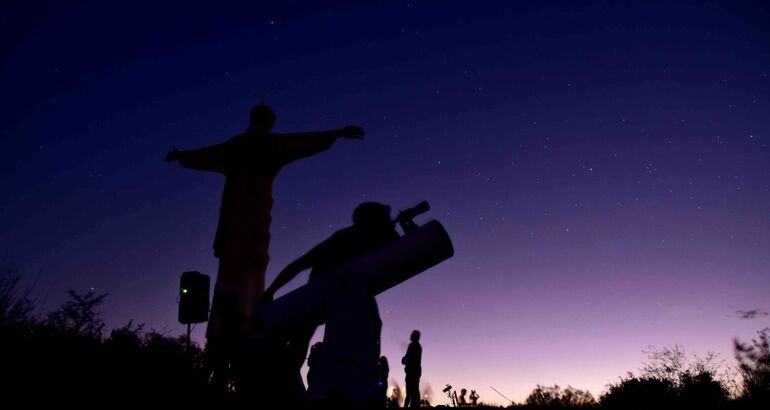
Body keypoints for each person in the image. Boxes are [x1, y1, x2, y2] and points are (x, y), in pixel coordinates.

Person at [165, 104, 364, 388]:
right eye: (265, 119)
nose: (267, 124)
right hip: (237, 220)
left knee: (251, 271)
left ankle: (246, 323)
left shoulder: (272, 145)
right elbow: (208, 155)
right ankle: (230, 331)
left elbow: (302, 141)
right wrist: (183, 156)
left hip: (257, 224)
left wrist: (335, 133)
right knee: (233, 275)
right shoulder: (244, 146)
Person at [261, 202, 400, 396]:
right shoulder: (343, 239)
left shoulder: (378, 236)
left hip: (351, 294)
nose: (390, 222)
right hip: (327, 294)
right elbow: (301, 264)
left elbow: (398, 246)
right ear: (370, 220)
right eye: (384, 218)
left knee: (303, 342)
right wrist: (270, 291)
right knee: (300, 344)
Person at [402, 329, 422, 408]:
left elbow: (408, 358)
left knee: (410, 391)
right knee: (414, 392)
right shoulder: (417, 346)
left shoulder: (413, 345)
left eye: (412, 334)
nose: (410, 335)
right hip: (415, 372)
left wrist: (404, 360)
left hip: (412, 372)